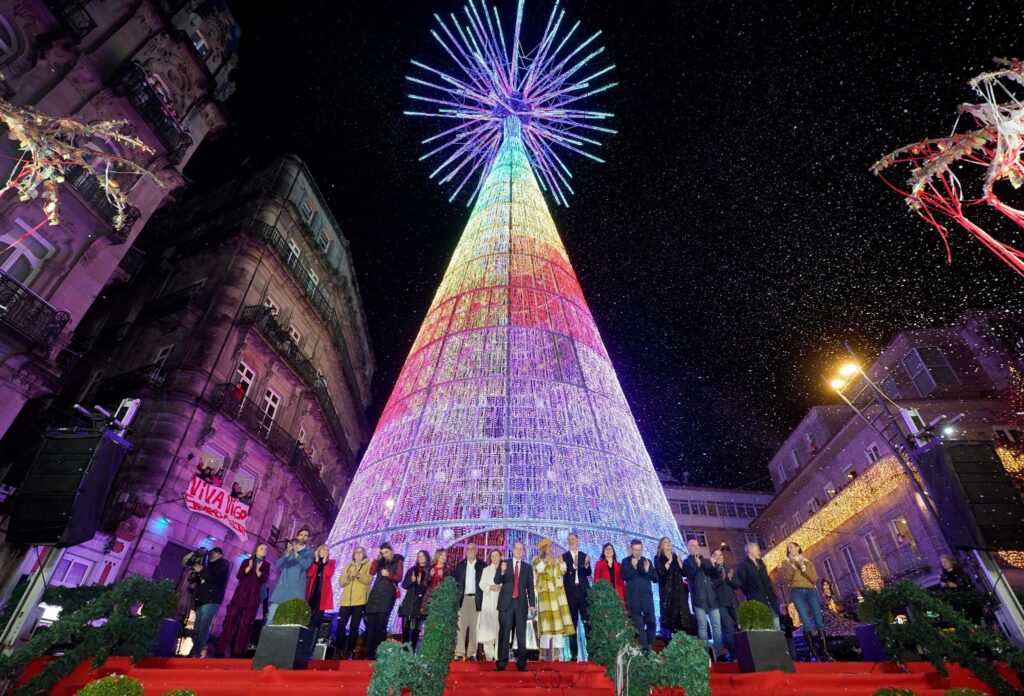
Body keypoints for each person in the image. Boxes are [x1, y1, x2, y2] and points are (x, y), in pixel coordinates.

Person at [216, 543, 270, 657]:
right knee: (229, 623)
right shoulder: (246, 561)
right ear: (256, 550)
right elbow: (239, 576)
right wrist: (249, 568)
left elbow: (264, 579)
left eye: (266, 549)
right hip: (240, 596)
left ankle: (238, 652)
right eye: (262, 548)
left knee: (245, 625)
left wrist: (258, 570)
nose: (264, 550)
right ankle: (221, 650)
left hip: (253, 598)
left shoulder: (266, 565)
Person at [779, 542, 829, 660]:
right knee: (805, 620)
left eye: (791, 546)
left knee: (818, 619)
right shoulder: (786, 563)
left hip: (810, 590)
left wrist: (803, 567)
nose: (789, 549)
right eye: (788, 548)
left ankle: (825, 651)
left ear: (798, 547)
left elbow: (813, 578)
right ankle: (812, 652)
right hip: (797, 592)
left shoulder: (807, 562)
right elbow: (790, 577)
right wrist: (793, 565)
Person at [495, 541, 538, 672]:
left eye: (521, 549)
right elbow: (497, 580)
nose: (519, 551)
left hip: (521, 604)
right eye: (517, 548)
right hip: (506, 604)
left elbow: (530, 587)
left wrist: (532, 605)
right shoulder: (504, 564)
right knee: (504, 634)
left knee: (521, 634)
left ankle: (521, 664)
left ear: (523, 551)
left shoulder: (527, 567)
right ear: (512, 550)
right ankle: (501, 663)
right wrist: (501, 572)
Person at [532, 539, 575, 662]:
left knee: (558, 625)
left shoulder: (556, 560)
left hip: (557, 595)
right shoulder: (536, 560)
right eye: (546, 548)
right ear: (542, 550)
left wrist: (561, 563)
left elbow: (563, 571)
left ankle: (557, 653)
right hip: (545, 595)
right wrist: (545, 562)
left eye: (549, 547)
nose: (548, 549)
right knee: (546, 625)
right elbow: (538, 570)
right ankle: (543, 653)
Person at [683, 538, 724, 659]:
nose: (696, 547)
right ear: (688, 548)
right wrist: (698, 565)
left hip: (711, 598)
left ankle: (719, 653)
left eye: (697, 545)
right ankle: (705, 655)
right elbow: (690, 575)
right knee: (702, 626)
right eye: (692, 545)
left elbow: (714, 575)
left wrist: (715, 566)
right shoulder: (686, 562)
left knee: (717, 626)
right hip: (698, 598)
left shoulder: (705, 560)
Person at [187, 547, 229, 657]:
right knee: (197, 627)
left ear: (220, 555)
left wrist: (201, 569)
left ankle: (195, 652)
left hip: (212, 599)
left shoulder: (223, 565)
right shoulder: (206, 565)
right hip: (201, 599)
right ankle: (195, 650)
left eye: (216, 553)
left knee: (203, 626)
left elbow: (214, 578)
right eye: (212, 553)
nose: (213, 555)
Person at [365, 542, 404, 660]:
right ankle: (369, 654)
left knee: (381, 624)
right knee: (370, 625)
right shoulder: (380, 561)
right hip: (375, 594)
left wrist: (389, 575)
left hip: (387, 596)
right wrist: (376, 559)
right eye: (383, 553)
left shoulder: (398, 560)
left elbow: (399, 577)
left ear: (391, 550)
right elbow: (371, 572)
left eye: (386, 552)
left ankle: (379, 654)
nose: (385, 555)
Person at [268, 528, 313, 623]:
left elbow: (306, 565)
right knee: (271, 620)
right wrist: (288, 553)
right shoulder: (289, 549)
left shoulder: (309, 552)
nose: (303, 537)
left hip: (295, 590)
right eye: (301, 534)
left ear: (308, 538)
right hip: (282, 588)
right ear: (297, 536)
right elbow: (278, 565)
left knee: (287, 623)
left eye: (306, 535)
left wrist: (297, 555)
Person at [621, 539, 659, 651]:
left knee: (652, 623)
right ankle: (645, 651)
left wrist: (648, 571)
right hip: (634, 600)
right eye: (635, 550)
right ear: (631, 549)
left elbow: (656, 578)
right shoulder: (626, 561)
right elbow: (624, 576)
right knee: (639, 627)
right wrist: (633, 567)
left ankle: (651, 649)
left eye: (640, 550)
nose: (638, 552)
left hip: (647, 599)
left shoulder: (646, 561)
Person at [655, 537, 695, 639]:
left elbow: (685, 573)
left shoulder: (675, 556)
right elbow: (660, 573)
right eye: (665, 542)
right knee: (669, 617)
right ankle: (670, 639)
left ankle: (684, 640)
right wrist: (669, 562)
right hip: (667, 592)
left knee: (683, 618)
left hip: (680, 592)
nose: (668, 543)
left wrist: (680, 562)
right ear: (661, 545)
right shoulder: (658, 557)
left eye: (669, 542)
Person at [736, 542, 781, 630]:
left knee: (777, 626)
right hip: (758, 601)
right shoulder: (743, 566)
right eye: (757, 550)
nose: (759, 552)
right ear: (750, 551)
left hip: (770, 599)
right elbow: (743, 584)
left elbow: (767, 579)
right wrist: (753, 594)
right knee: (765, 628)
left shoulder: (761, 563)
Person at [337, 546, 372, 659]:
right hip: (346, 601)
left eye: (361, 552)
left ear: (364, 554)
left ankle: (351, 651)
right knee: (341, 625)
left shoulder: (368, 564)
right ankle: (339, 650)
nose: (358, 554)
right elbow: (341, 583)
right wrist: (347, 576)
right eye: (356, 552)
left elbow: (368, 580)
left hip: (360, 601)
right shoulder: (348, 565)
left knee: (354, 627)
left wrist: (358, 574)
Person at [453, 543, 486, 660]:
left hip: (477, 599)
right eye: (469, 549)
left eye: (473, 549)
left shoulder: (482, 565)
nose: (471, 550)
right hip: (463, 599)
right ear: (466, 551)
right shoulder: (460, 565)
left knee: (474, 628)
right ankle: (459, 652)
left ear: (476, 551)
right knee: (460, 627)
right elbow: (455, 583)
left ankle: (472, 653)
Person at [562, 532, 591, 661]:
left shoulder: (584, 555)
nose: (571, 541)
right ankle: (574, 654)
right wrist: (573, 566)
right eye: (569, 540)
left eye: (573, 539)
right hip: (571, 594)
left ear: (578, 540)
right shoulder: (564, 557)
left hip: (584, 593)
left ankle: (591, 652)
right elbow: (564, 573)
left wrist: (585, 565)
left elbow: (588, 572)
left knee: (587, 623)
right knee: (572, 624)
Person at [398, 550, 430, 651]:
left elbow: (429, 588)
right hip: (409, 604)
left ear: (427, 558)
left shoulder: (429, 571)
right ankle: (404, 652)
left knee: (416, 630)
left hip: (420, 605)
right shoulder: (412, 569)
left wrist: (421, 583)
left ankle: (412, 652)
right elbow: (404, 585)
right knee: (405, 629)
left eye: (423, 556)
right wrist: (411, 581)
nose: (420, 558)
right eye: (419, 556)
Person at [710, 548, 740, 656]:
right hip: (721, 603)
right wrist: (722, 579)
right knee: (728, 629)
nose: (720, 557)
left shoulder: (728, 569)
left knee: (742, 625)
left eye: (721, 554)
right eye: (716, 555)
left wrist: (730, 579)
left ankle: (745, 650)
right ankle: (734, 654)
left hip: (733, 602)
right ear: (713, 558)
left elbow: (737, 584)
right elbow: (712, 585)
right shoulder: (712, 570)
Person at [477, 550, 503, 661]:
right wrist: (491, 587)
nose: (495, 558)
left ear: (500, 557)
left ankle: (498, 656)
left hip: (501, 602)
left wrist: (500, 587)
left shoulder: (504, 570)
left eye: (497, 556)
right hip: (488, 602)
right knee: (487, 628)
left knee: (499, 628)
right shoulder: (486, 570)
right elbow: (481, 583)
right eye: (493, 556)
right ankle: (489, 655)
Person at [306, 544, 336, 632]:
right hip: (312, 594)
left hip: (322, 595)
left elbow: (329, 574)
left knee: (317, 620)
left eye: (327, 550)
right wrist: (316, 561)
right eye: (323, 549)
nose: (325, 551)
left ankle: (313, 640)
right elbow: (310, 574)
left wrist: (324, 562)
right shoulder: (314, 562)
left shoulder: (331, 563)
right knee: (307, 617)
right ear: (318, 551)